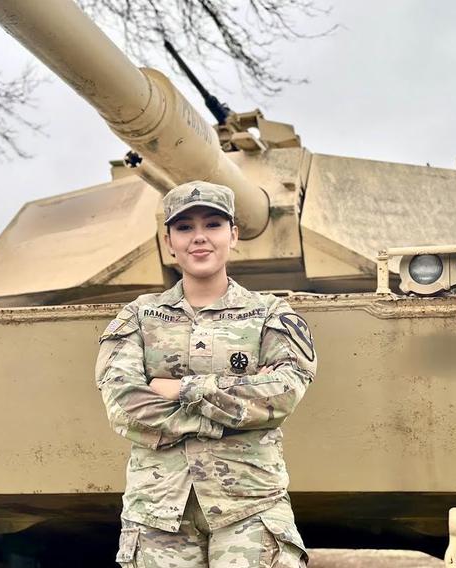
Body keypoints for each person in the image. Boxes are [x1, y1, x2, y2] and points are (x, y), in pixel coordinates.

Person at [95, 180, 317, 567]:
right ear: (169, 242)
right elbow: (124, 405)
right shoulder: (138, 317)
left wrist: (181, 388)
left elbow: (281, 395)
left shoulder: (270, 314)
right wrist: (233, 408)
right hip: (158, 513)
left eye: (212, 225)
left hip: (250, 507)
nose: (199, 238)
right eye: (185, 228)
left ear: (233, 235)